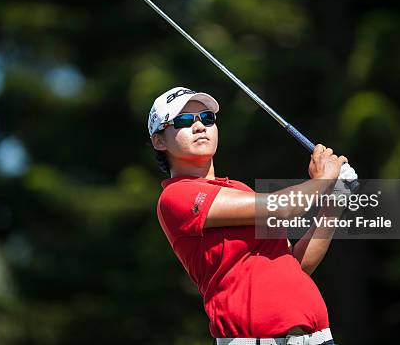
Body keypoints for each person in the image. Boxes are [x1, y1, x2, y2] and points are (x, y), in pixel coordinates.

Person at [149, 86, 352, 345]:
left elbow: (296, 265)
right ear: (159, 141)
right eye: (184, 121)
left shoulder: (239, 190)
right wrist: (323, 180)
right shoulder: (176, 196)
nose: (200, 126)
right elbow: (280, 208)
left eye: (207, 118)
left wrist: (336, 198)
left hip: (318, 338)